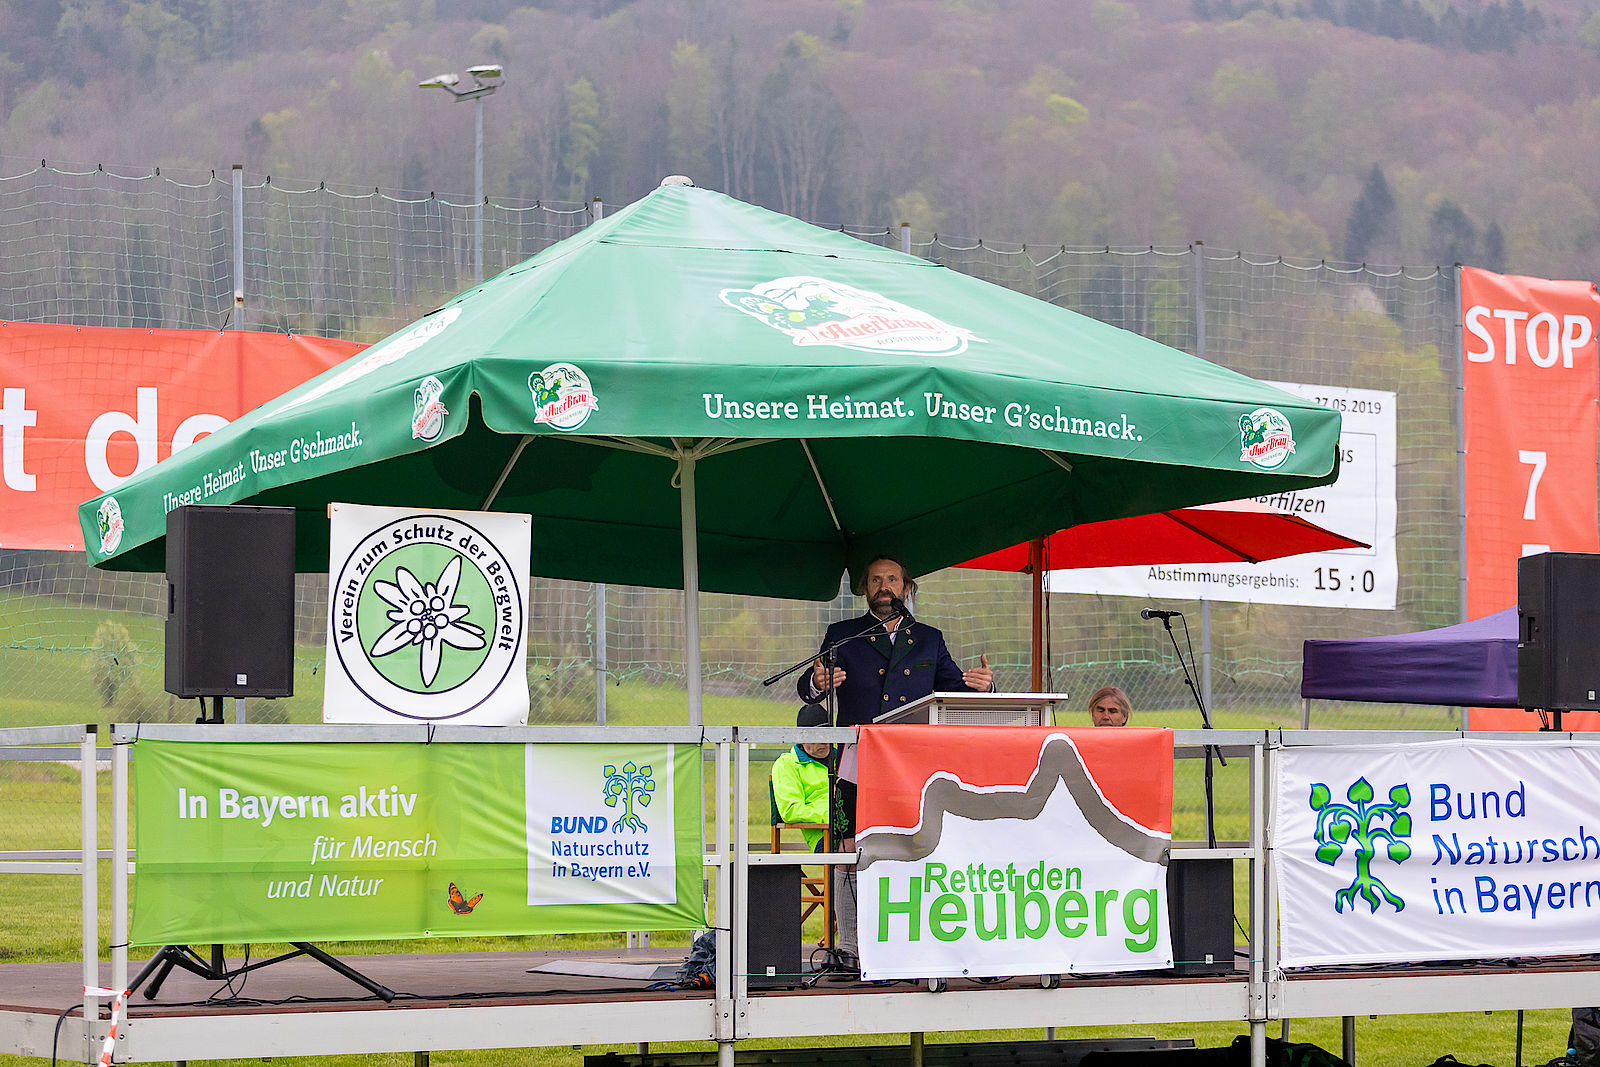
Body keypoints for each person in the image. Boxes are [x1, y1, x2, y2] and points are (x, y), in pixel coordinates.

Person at [796, 553, 994, 974]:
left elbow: (955, 692)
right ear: (865, 589)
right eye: (874, 580)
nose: (883, 586)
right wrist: (816, 682)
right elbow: (811, 683)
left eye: (891, 579)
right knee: (849, 849)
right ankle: (850, 945)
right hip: (856, 764)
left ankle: (916, 940)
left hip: (911, 768)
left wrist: (984, 686)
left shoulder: (928, 639)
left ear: (906, 587)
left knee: (914, 847)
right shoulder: (843, 634)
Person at [770, 703, 833, 853]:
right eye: (817, 735)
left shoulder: (843, 758)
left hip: (860, 831)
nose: (825, 740)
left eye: (828, 733)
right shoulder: (787, 764)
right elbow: (791, 810)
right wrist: (832, 817)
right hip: (825, 836)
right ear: (802, 737)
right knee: (858, 850)